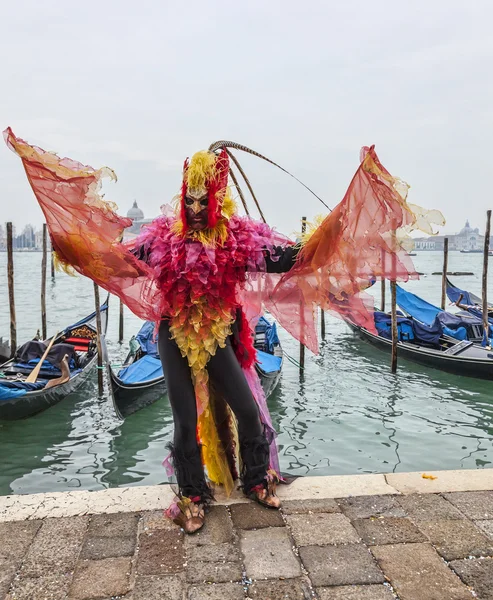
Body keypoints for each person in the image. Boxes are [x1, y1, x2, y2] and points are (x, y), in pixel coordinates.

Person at [4, 129, 436, 533]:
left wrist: (330, 231)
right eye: (188, 200)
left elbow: (285, 259)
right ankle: (192, 495)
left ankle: (255, 480)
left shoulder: (239, 240)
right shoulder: (160, 241)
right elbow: (118, 261)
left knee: (248, 411)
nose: (193, 208)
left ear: (215, 198)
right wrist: (77, 244)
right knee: (184, 419)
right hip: (173, 337)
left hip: (218, 339)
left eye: (201, 200)